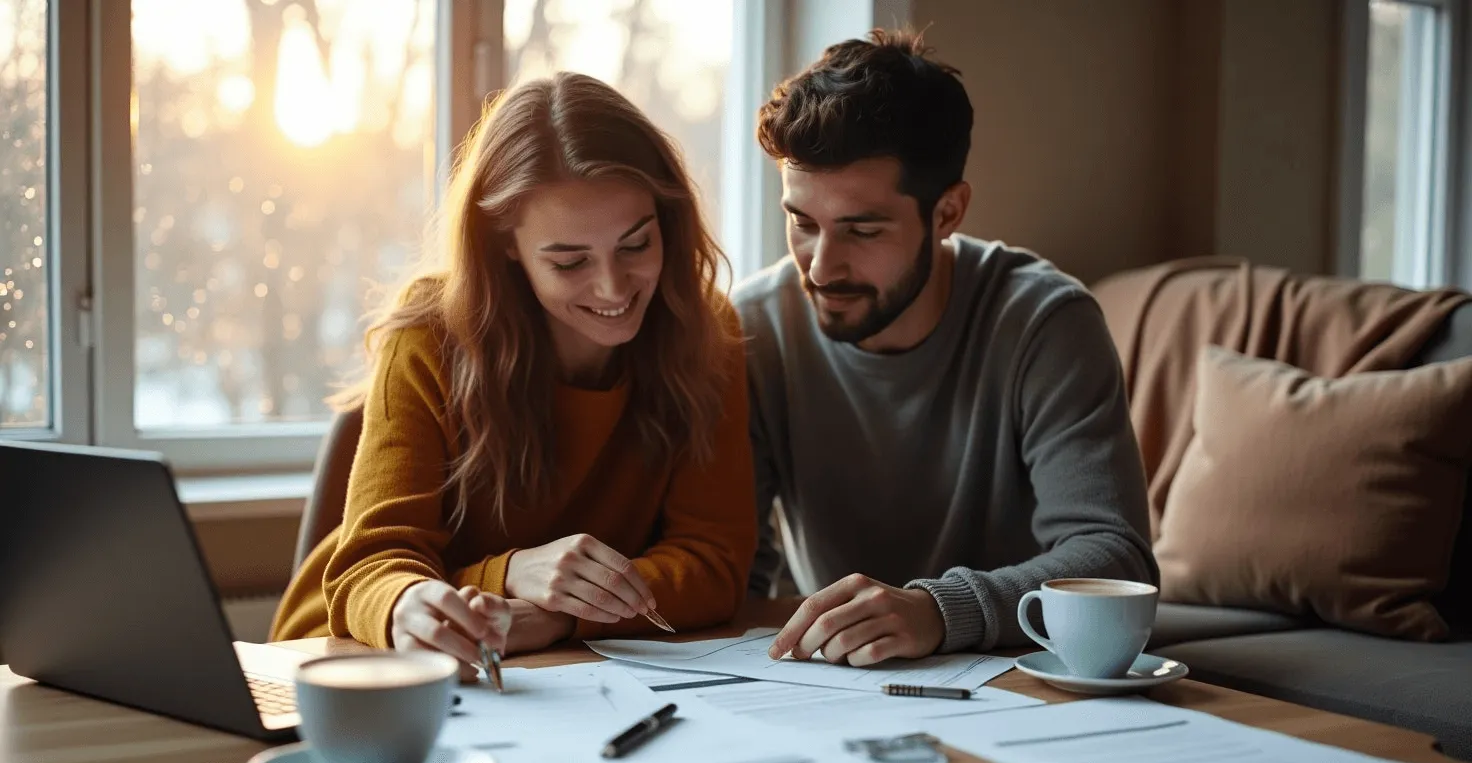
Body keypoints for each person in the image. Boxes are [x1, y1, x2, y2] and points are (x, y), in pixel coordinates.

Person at [271, 72, 757, 676]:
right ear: (506, 246)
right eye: (569, 260)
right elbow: (370, 567)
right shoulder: (429, 335)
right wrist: (481, 584)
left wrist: (555, 614)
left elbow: (712, 563)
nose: (612, 288)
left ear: (667, 221)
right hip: (354, 658)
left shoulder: (705, 330)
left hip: (552, 659)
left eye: (636, 246)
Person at [734, 30, 1155, 666]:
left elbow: (1112, 553)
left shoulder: (1045, 322)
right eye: (803, 222)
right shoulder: (755, 330)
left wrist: (939, 611)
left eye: (862, 229)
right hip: (826, 681)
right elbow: (738, 572)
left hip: (1012, 673)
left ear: (948, 212)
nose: (820, 266)